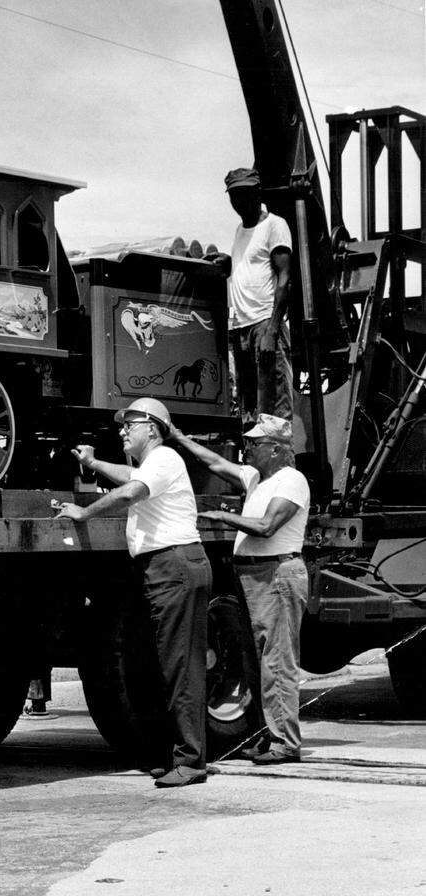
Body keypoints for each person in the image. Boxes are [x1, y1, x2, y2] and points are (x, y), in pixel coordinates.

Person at [55, 397, 212, 788]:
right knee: (154, 664)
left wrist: (83, 512)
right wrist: (93, 464)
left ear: (153, 429)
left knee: (179, 667)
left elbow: (129, 492)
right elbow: (127, 475)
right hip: (161, 568)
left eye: (131, 423)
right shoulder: (152, 465)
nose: (123, 430)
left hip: (174, 566)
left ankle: (191, 762)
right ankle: (170, 754)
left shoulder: (165, 459)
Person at [169, 412, 310, 765]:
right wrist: (177, 436)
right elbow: (215, 461)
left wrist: (223, 516)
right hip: (255, 576)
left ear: (277, 449)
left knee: (277, 661)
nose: (246, 448)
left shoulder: (291, 481)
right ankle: (271, 733)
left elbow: (266, 526)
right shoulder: (256, 477)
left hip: (276, 575)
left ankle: (286, 742)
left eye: (254, 443)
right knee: (258, 660)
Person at [218, 167, 294, 423]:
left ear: (258, 193)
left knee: (274, 410)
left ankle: (280, 463)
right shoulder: (240, 229)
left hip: (264, 325)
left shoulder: (275, 225)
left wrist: (272, 330)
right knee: (249, 412)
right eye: (235, 196)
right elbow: (250, 266)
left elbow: (285, 278)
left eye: (246, 194)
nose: (240, 201)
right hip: (242, 328)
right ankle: (253, 463)